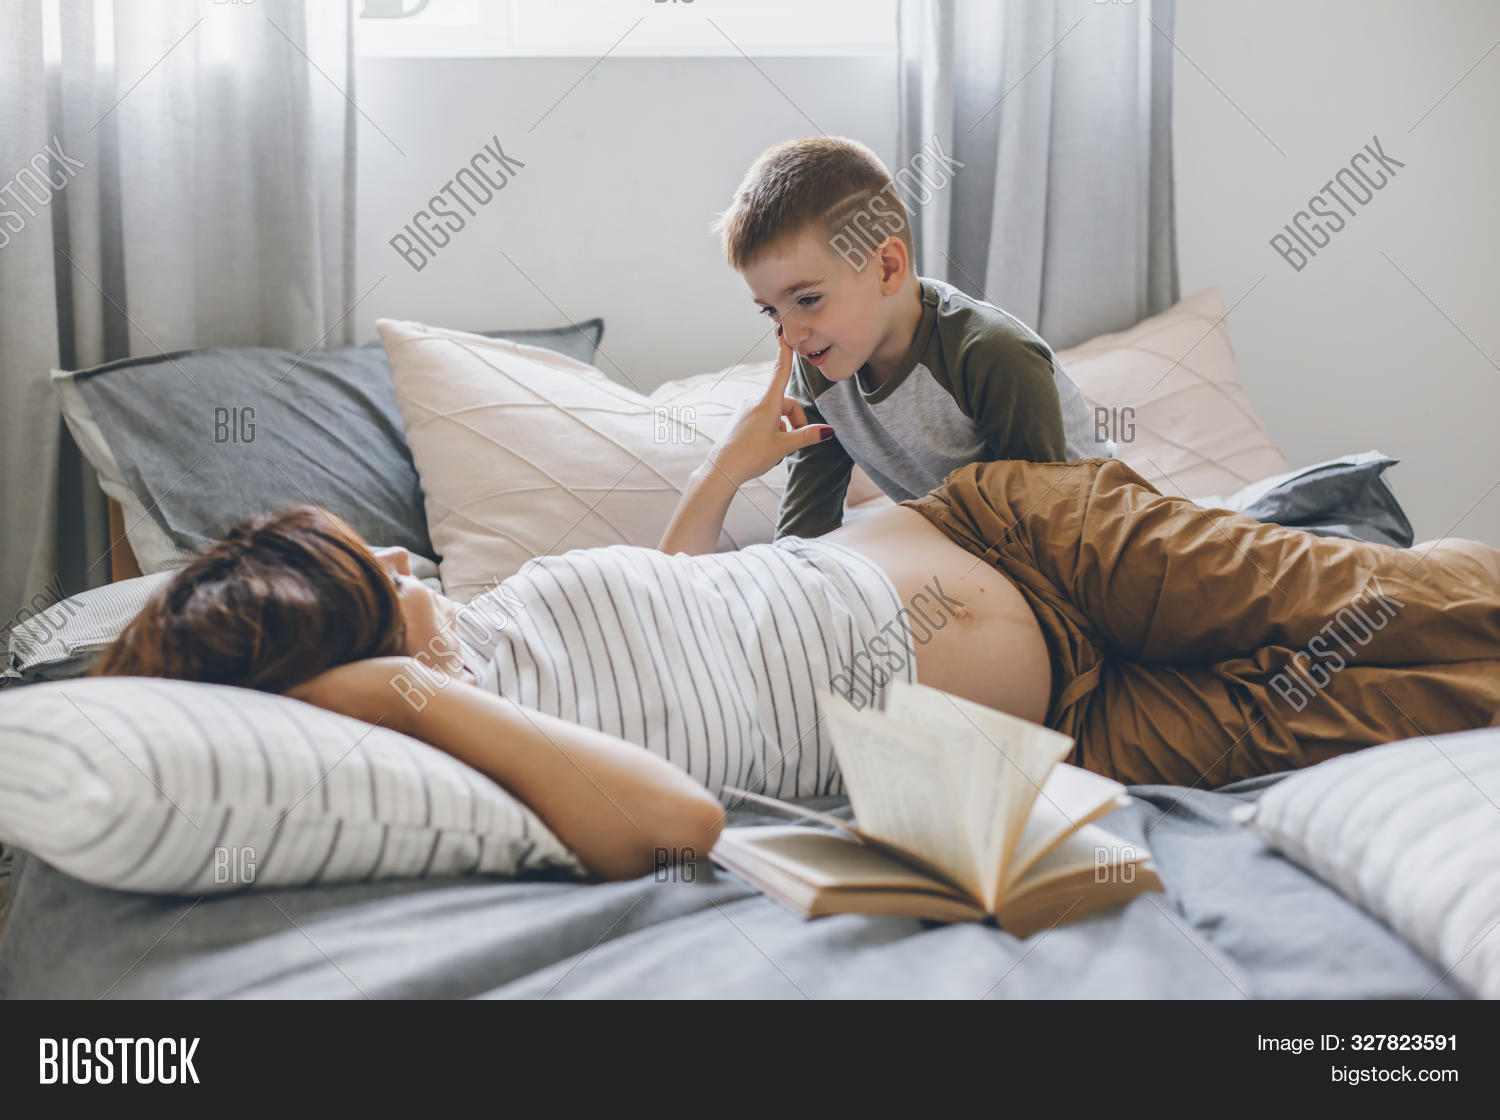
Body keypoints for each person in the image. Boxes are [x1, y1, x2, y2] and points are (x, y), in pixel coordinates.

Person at [94, 333, 1500, 881]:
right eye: (379, 581)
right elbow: (682, 818)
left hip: (1019, 548)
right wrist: (401, 695)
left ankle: (1363, 534)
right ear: (337, 666)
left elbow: (691, 599)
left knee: (1379, 600)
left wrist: (723, 468)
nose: (411, 567)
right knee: (1404, 694)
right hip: (1067, 737)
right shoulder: (487, 755)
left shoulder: (497, 614)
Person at [709, 135, 1111, 543]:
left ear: (886, 267)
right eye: (770, 310)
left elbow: (1044, 538)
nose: (791, 335)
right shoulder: (819, 368)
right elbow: (804, 533)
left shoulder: (993, 355)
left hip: (1090, 541)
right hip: (972, 542)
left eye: (808, 299)